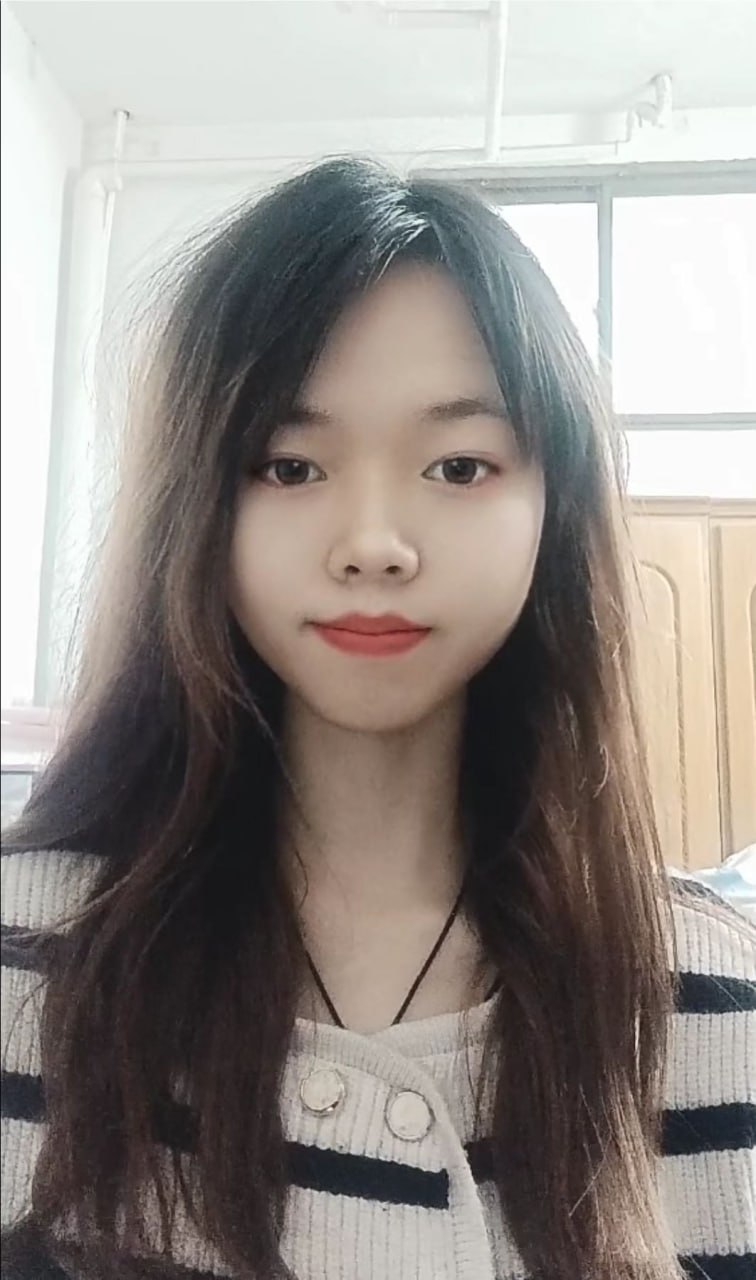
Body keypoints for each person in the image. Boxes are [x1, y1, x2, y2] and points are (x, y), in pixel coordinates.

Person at [1, 158, 754, 1280]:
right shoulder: (28, 956)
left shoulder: (708, 1003)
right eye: (289, 465)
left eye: (459, 464)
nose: (372, 542)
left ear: (552, 505)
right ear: (195, 505)